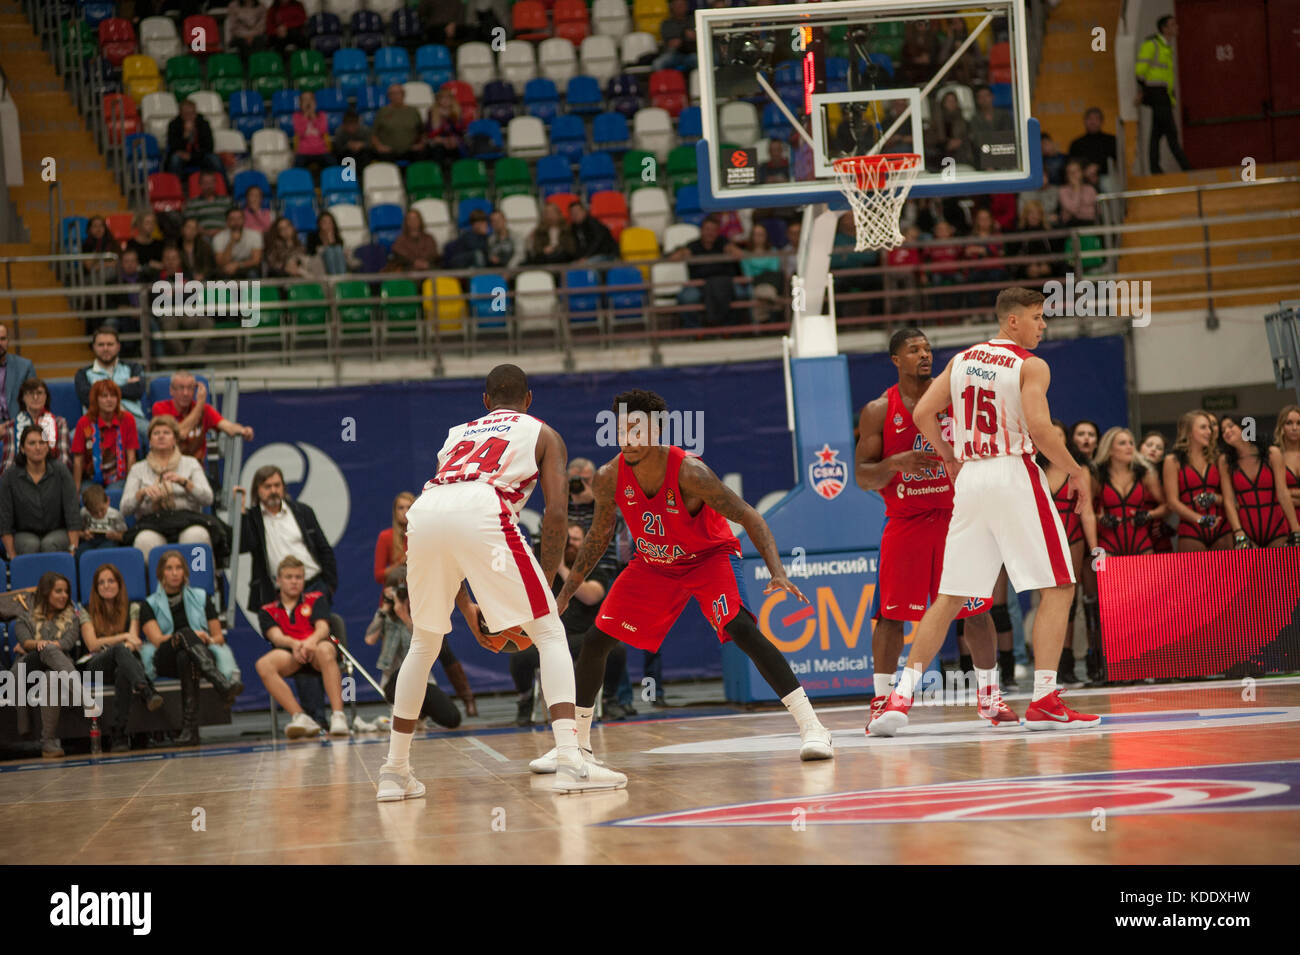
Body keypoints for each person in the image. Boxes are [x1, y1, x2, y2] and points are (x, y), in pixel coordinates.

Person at [544, 386, 835, 772]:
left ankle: (812, 727)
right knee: (597, 640)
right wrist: (565, 593)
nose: (627, 437)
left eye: (636, 428)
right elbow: (598, 538)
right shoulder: (608, 476)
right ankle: (576, 745)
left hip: (707, 557)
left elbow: (750, 517)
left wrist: (777, 572)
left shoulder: (691, 473)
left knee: (741, 627)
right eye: (621, 428)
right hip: (654, 564)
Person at [382, 364, 628, 800]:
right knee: (549, 631)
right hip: (484, 506)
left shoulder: (457, 434)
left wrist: (467, 609)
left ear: (484, 401)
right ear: (529, 399)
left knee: (424, 643)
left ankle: (395, 771)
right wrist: (547, 586)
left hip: (424, 510)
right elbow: (555, 514)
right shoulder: (544, 433)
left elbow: (447, 515)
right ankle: (571, 759)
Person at [869, 287, 1099, 735]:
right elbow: (1040, 428)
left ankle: (899, 699)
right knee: (1059, 585)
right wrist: (1073, 470)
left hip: (972, 478)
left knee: (950, 596)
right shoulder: (1031, 365)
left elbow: (924, 415)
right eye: (1037, 316)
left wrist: (949, 457)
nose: (1043, 324)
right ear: (1012, 321)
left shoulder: (961, 360)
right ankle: (1046, 699)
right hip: (1012, 471)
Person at [855, 328, 1018, 729]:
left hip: (957, 519)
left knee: (976, 611)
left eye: (927, 349)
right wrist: (896, 464)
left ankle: (989, 696)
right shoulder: (879, 409)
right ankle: (881, 699)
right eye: (914, 350)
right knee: (890, 616)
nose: (924, 355)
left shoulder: (956, 399)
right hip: (906, 523)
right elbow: (861, 476)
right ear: (896, 359)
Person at [510, 523, 628, 725]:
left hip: (581, 639)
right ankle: (525, 700)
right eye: (567, 540)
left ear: (584, 545)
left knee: (615, 649)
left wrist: (563, 568)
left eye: (576, 540)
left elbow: (591, 596)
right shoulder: (543, 569)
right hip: (547, 637)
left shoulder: (593, 569)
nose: (571, 544)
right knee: (520, 655)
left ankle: (609, 699)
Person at [141, 549, 243, 746]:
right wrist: (191, 634)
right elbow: (157, 640)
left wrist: (205, 639)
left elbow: (218, 637)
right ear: (161, 573)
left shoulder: (201, 597)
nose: (175, 572)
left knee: (186, 658)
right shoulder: (149, 604)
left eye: (179, 568)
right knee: (185, 635)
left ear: (185, 572)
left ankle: (190, 731)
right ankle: (221, 683)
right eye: (169, 568)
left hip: (198, 655)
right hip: (164, 657)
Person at [254, 555, 349, 738]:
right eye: (289, 577)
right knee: (263, 665)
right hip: (290, 655)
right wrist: (295, 644)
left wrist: (309, 643)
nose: (294, 582)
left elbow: (323, 627)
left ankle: (338, 716)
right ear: (279, 580)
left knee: (325, 649)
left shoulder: (316, 599)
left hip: (316, 652)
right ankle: (300, 717)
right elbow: (276, 636)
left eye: (298, 577)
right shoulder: (268, 610)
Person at [1034, 420, 1098, 686]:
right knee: (1048, 601)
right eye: (1049, 436)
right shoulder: (1033, 469)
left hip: (1073, 538)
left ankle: (1070, 662)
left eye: (1058, 437)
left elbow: (1088, 511)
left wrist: (1095, 549)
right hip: (1042, 538)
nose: (1053, 441)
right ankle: (1052, 665)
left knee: (1071, 602)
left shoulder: (1078, 469)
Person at [82, 562, 166, 751]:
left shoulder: (133, 608)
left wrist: (123, 641)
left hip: (123, 666)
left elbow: (134, 641)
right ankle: (146, 690)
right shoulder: (86, 610)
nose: (106, 585)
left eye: (111, 581)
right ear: (96, 588)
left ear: (119, 584)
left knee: (123, 671)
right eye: (101, 582)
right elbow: (93, 644)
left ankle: (119, 735)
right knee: (121, 650)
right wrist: (123, 637)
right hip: (96, 666)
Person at [365, 578, 463, 729]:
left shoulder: (420, 615)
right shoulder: (384, 618)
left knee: (452, 718)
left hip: (423, 681)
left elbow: (426, 642)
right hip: (393, 681)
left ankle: (418, 713)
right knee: (404, 671)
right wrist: (384, 609)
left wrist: (404, 616)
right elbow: (370, 639)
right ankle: (406, 714)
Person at [237, 464, 337, 609]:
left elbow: (324, 549)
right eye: (267, 486)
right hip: (276, 593)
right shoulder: (252, 518)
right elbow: (244, 545)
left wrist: (329, 586)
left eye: (277, 485)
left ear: (283, 487)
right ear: (257, 490)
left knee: (321, 630)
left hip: (313, 586)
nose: (273, 491)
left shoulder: (302, 511)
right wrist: (241, 512)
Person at [10, 572, 88, 757]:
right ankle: (83, 695)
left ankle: (48, 742)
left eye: (66, 592)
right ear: (46, 593)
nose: (64, 596)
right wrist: (38, 645)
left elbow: (67, 643)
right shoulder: (25, 617)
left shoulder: (72, 618)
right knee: (49, 650)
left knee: (51, 676)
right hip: (24, 674)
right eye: (58, 591)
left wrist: (35, 645)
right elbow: (24, 641)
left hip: (56, 672)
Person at [121, 414, 215, 558]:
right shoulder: (138, 469)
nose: (161, 436)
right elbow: (125, 508)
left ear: (175, 440)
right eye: (156, 433)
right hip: (152, 522)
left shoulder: (190, 463)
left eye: (166, 433)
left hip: (187, 520)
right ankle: (153, 580)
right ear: (150, 441)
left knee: (197, 536)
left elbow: (207, 498)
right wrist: (141, 493)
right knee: (144, 540)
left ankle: (200, 576)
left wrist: (185, 483)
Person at [1218, 413, 1300, 548]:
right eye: (1223, 430)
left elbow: (1283, 493)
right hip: (1246, 530)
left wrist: (1296, 528)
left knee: (1280, 568)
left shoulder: (1272, 453)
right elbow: (1228, 500)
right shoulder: (1225, 461)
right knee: (1254, 569)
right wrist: (1238, 531)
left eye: (1231, 426)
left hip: (1276, 528)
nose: (1227, 431)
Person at [0, 426, 80, 557]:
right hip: (24, 533)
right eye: (32, 443)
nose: (38, 447)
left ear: (47, 447)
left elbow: (73, 515)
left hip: (57, 531)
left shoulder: (61, 471)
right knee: (31, 544)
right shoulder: (10, 477)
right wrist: (13, 557)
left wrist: (72, 551)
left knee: (50, 544)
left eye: (42, 443)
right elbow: (4, 522)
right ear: (22, 449)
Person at [1163, 409, 1231, 551]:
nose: (1209, 432)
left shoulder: (1217, 459)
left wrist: (1214, 498)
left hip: (1222, 526)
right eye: (1203, 427)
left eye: (1210, 427)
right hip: (1191, 529)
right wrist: (1200, 519)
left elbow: (1230, 498)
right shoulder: (1172, 461)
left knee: (1227, 573)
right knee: (1195, 573)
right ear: (1188, 432)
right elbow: (1172, 502)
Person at [1093, 426, 1167, 557]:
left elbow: (1166, 506)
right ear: (1109, 449)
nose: (1129, 447)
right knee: (1109, 578)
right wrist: (1101, 518)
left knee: (1148, 578)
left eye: (1131, 443)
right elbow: (1084, 512)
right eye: (1122, 443)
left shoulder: (1145, 473)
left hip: (1142, 544)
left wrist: (1149, 514)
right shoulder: (1097, 476)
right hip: (1108, 544)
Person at [151, 371, 254, 462]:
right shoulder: (160, 408)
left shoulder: (205, 409)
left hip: (197, 470)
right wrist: (200, 404)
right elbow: (180, 433)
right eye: (181, 388)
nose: (186, 393)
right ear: (171, 391)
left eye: (190, 388)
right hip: (169, 466)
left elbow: (229, 427)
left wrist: (243, 430)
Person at [1135, 15, 1190, 174]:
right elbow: (1140, 71)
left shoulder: (1165, 46)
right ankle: (1187, 169)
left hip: (1163, 95)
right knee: (1171, 134)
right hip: (1156, 93)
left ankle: (1155, 169)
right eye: (1172, 24)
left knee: (1156, 134)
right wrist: (1142, 90)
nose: (1176, 27)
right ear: (1164, 28)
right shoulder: (1152, 45)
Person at [74, 326, 146, 439]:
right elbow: (87, 398)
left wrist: (99, 392)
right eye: (101, 345)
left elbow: (137, 390)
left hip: (132, 419)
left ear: (118, 347)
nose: (105, 348)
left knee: (157, 432)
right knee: (72, 438)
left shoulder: (133, 367)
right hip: (95, 420)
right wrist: (124, 388)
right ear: (94, 347)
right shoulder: (83, 374)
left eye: (110, 344)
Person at [672, 215, 742, 328]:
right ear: (701, 230)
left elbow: (739, 254)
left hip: (723, 283)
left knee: (741, 293)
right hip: (699, 284)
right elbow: (674, 258)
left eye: (713, 230)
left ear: (718, 231)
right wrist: (683, 253)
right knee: (686, 297)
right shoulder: (693, 245)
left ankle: (730, 327)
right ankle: (694, 330)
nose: (710, 233)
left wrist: (730, 249)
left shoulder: (723, 242)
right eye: (707, 229)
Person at [71, 379, 139, 492]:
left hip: (118, 477)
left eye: (113, 396)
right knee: (92, 498)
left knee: (113, 494)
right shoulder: (84, 422)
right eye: (104, 396)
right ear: (95, 400)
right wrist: (75, 491)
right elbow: (78, 460)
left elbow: (131, 456)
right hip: (91, 478)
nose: (109, 400)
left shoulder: (128, 419)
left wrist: (131, 486)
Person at [1, 377, 71, 474]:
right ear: (23, 398)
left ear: (46, 396)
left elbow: (64, 460)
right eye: (30, 393)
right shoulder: (12, 426)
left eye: (39, 393)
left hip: (53, 478)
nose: (35, 397)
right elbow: (8, 463)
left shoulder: (60, 423)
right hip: (20, 479)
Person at [165, 99, 223, 180]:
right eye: (186, 114)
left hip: (199, 156)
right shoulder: (174, 124)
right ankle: (175, 187)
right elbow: (173, 146)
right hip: (182, 156)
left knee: (214, 159)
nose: (190, 116)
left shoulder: (203, 124)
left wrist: (192, 156)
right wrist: (185, 135)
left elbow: (209, 147)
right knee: (175, 159)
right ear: (181, 114)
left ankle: (224, 187)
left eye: (192, 113)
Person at [739, 222, 784, 324]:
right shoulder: (746, 254)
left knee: (764, 292)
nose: (758, 237)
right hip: (754, 283)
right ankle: (772, 302)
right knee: (755, 292)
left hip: (771, 282)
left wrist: (758, 270)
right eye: (756, 234)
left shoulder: (774, 251)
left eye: (761, 234)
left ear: (766, 236)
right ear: (751, 237)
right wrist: (763, 271)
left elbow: (774, 269)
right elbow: (748, 274)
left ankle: (765, 324)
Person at [371, 83, 425, 162]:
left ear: (403, 94)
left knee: (422, 154)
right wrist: (379, 147)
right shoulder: (382, 112)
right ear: (388, 96)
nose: (395, 96)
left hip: (411, 150)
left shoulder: (413, 111)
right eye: (392, 94)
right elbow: (374, 134)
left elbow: (422, 132)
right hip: (388, 151)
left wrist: (421, 144)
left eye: (398, 93)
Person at [1008, 199, 1056, 281]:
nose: (1035, 216)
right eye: (1031, 213)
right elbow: (1014, 255)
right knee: (1032, 271)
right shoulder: (1019, 232)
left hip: (1045, 264)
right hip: (1024, 266)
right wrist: (1029, 264)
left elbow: (1054, 252)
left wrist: (1045, 263)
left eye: (1038, 213)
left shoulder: (1048, 231)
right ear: (1026, 215)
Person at [374, 491, 415, 586]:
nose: (405, 512)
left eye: (409, 507)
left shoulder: (422, 536)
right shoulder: (385, 536)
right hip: (395, 595)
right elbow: (378, 576)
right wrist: (400, 563)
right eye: (401, 508)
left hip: (418, 595)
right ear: (395, 512)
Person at [926, 90, 974, 168]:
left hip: (959, 150)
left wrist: (959, 141)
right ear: (943, 103)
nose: (951, 103)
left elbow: (969, 136)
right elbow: (929, 139)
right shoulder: (936, 120)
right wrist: (945, 144)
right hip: (940, 151)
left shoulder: (963, 120)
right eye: (948, 101)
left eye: (953, 101)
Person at [212, 207, 264, 279]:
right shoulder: (218, 238)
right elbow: (221, 263)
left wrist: (237, 265)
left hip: (246, 267)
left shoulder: (255, 235)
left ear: (244, 220)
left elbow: (256, 260)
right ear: (227, 222)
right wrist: (231, 242)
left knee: (252, 273)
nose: (236, 222)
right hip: (227, 268)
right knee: (222, 275)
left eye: (239, 218)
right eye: (232, 219)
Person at [425, 86, 467, 172]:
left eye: (448, 98)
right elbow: (430, 132)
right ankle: (438, 174)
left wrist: (453, 139)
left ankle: (459, 173)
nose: (445, 100)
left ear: (452, 100)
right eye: (442, 98)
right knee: (438, 150)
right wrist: (442, 140)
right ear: (438, 100)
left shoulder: (457, 112)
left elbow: (460, 131)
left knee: (457, 148)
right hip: (438, 141)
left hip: (454, 140)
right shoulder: (432, 112)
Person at [1068, 107, 1118, 178]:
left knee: (1108, 183)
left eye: (1096, 119)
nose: (1093, 122)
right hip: (1082, 177)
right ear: (1084, 121)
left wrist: (1097, 168)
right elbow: (1071, 163)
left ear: (1101, 121)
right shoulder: (1076, 143)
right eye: (1090, 119)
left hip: (1105, 176)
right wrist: (1085, 170)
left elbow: (1117, 163)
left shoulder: (1111, 140)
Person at [77, 483, 127, 554]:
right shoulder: (83, 513)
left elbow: (124, 533)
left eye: (102, 510)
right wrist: (84, 534)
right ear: (88, 509)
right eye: (94, 513)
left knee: (105, 551)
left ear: (108, 502)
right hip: (90, 540)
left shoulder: (115, 515)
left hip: (109, 540)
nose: (99, 514)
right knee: (81, 552)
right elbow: (77, 531)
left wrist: (116, 536)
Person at [291, 89, 331, 176]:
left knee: (332, 165)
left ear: (315, 102)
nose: (308, 102)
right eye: (305, 100)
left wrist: (313, 116)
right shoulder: (297, 116)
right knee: (297, 169)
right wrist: (305, 117)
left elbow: (322, 131)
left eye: (310, 99)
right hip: (303, 152)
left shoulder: (322, 115)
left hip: (321, 151)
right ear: (300, 104)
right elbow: (300, 133)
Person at [182, 172, 231, 240]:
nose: (209, 186)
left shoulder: (226, 201)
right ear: (200, 185)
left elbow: (233, 219)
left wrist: (221, 231)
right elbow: (190, 223)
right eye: (206, 183)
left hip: (224, 235)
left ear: (215, 183)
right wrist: (205, 232)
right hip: (201, 236)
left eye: (211, 182)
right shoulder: (193, 203)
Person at [652, 0, 696, 72]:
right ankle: (663, 83)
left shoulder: (693, 20)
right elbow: (672, 43)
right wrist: (685, 36)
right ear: (672, 7)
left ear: (687, 6)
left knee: (701, 61)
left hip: (692, 53)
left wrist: (692, 37)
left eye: (682, 5)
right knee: (658, 63)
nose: (679, 7)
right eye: (677, 5)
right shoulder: (666, 23)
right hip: (674, 54)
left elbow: (697, 38)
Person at [1057, 159, 1097, 227]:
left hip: (1090, 224)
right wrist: (1077, 188)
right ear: (1066, 175)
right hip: (1070, 226)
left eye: (1076, 171)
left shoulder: (1090, 189)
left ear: (1082, 172)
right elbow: (1073, 209)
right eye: (1070, 172)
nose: (1073, 174)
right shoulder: (1063, 190)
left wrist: (1076, 214)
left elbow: (1094, 213)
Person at [1277, 404, 1300, 511]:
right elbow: (1275, 496)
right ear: (1281, 427)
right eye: (1289, 423)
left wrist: (1289, 493)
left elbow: (1283, 495)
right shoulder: (1275, 456)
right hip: (1285, 519)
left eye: (1299, 423)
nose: (1294, 428)